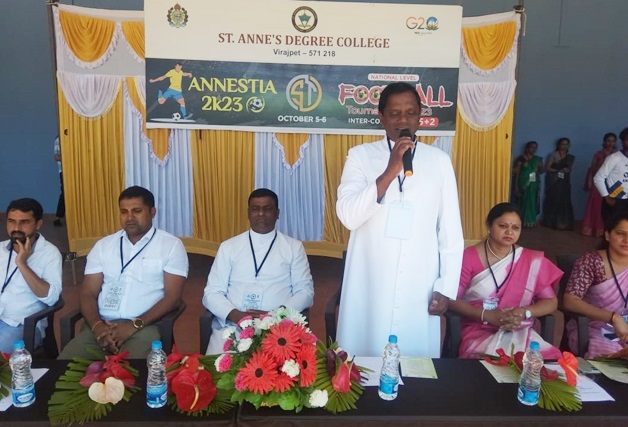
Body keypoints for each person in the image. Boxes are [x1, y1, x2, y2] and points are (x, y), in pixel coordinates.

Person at [335, 82, 464, 357]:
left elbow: (450, 231)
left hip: (420, 279)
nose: (403, 120)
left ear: (420, 117)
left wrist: (446, 286)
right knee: (364, 356)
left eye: (410, 113)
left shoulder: (439, 161)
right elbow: (348, 216)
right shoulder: (360, 156)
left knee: (415, 362)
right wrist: (390, 170)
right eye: (394, 114)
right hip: (370, 278)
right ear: (381, 117)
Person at [58, 186, 188, 359]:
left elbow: (173, 298)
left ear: (152, 212)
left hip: (144, 326)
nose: (130, 218)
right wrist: (97, 326)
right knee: (63, 369)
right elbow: (87, 293)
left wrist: (134, 325)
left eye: (137, 211)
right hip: (101, 327)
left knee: (132, 372)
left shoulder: (171, 246)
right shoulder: (104, 246)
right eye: (124, 212)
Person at [202, 188, 314, 354]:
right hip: (233, 327)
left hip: (278, 329)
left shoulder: (293, 247)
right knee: (221, 369)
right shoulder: (228, 247)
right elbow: (211, 293)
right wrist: (235, 315)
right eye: (255, 209)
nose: (261, 214)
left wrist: (275, 316)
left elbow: (305, 292)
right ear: (248, 213)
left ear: (277, 213)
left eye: (267, 209)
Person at [448, 203, 562, 359]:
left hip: (519, 329)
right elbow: (451, 299)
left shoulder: (530, 260)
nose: (509, 232)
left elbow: (550, 301)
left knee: (543, 362)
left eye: (515, 228)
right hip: (478, 328)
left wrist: (524, 312)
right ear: (489, 226)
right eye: (503, 226)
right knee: (490, 363)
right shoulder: (469, 257)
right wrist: (487, 315)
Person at [563, 211, 628, 358]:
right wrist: (614, 318)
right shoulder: (592, 261)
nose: (626, 240)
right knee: (610, 354)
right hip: (595, 329)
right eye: (620, 233)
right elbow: (570, 300)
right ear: (607, 235)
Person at [0, 198, 62, 353]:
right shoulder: (0, 249)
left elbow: (51, 298)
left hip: (22, 325)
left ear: (38, 224)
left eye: (24, 222)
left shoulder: (49, 253)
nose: (16, 228)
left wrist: (22, 263)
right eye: (11, 221)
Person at [582, 132, 617, 237]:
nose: (610, 143)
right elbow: (593, 169)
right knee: (597, 206)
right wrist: (605, 162)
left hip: (613, 184)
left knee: (612, 207)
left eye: (613, 141)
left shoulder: (618, 155)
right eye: (608, 141)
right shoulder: (598, 154)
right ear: (604, 142)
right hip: (599, 183)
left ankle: (609, 230)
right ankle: (595, 229)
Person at [593, 127, 628, 227]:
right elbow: (598, 178)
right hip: (616, 199)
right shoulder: (614, 158)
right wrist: (607, 197)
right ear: (622, 141)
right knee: (612, 229)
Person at [543, 137, 575, 230]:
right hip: (554, 182)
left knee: (564, 201)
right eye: (562, 144)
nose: (564, 146)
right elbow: (547, 168)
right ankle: (552, 222)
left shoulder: (569, 157)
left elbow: (569, 169)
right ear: (559, 145)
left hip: (565, 182)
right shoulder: (554, 155)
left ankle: (564, 223)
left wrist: (567, 170)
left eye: (566, 144)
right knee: (554, 200)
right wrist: (558, 170)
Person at [512, 141, 544, 228]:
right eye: (532, 147)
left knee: (531, 202)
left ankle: (530, 221)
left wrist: (540, 167)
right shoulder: (521, 159)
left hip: (533, 184)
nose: (533, 149)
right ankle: (521, 221)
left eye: (535, 148)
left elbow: (541, 171)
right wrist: (516, 186)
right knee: (522, 202)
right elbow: (516, 173)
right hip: (522, 183)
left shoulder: (537, 159)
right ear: (527, 148)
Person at [53, 135, 64, 227]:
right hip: (64, 171)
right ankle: (58, 217)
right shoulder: (59, 140)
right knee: (65, 193)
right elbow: (57, 157)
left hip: (77, 171)